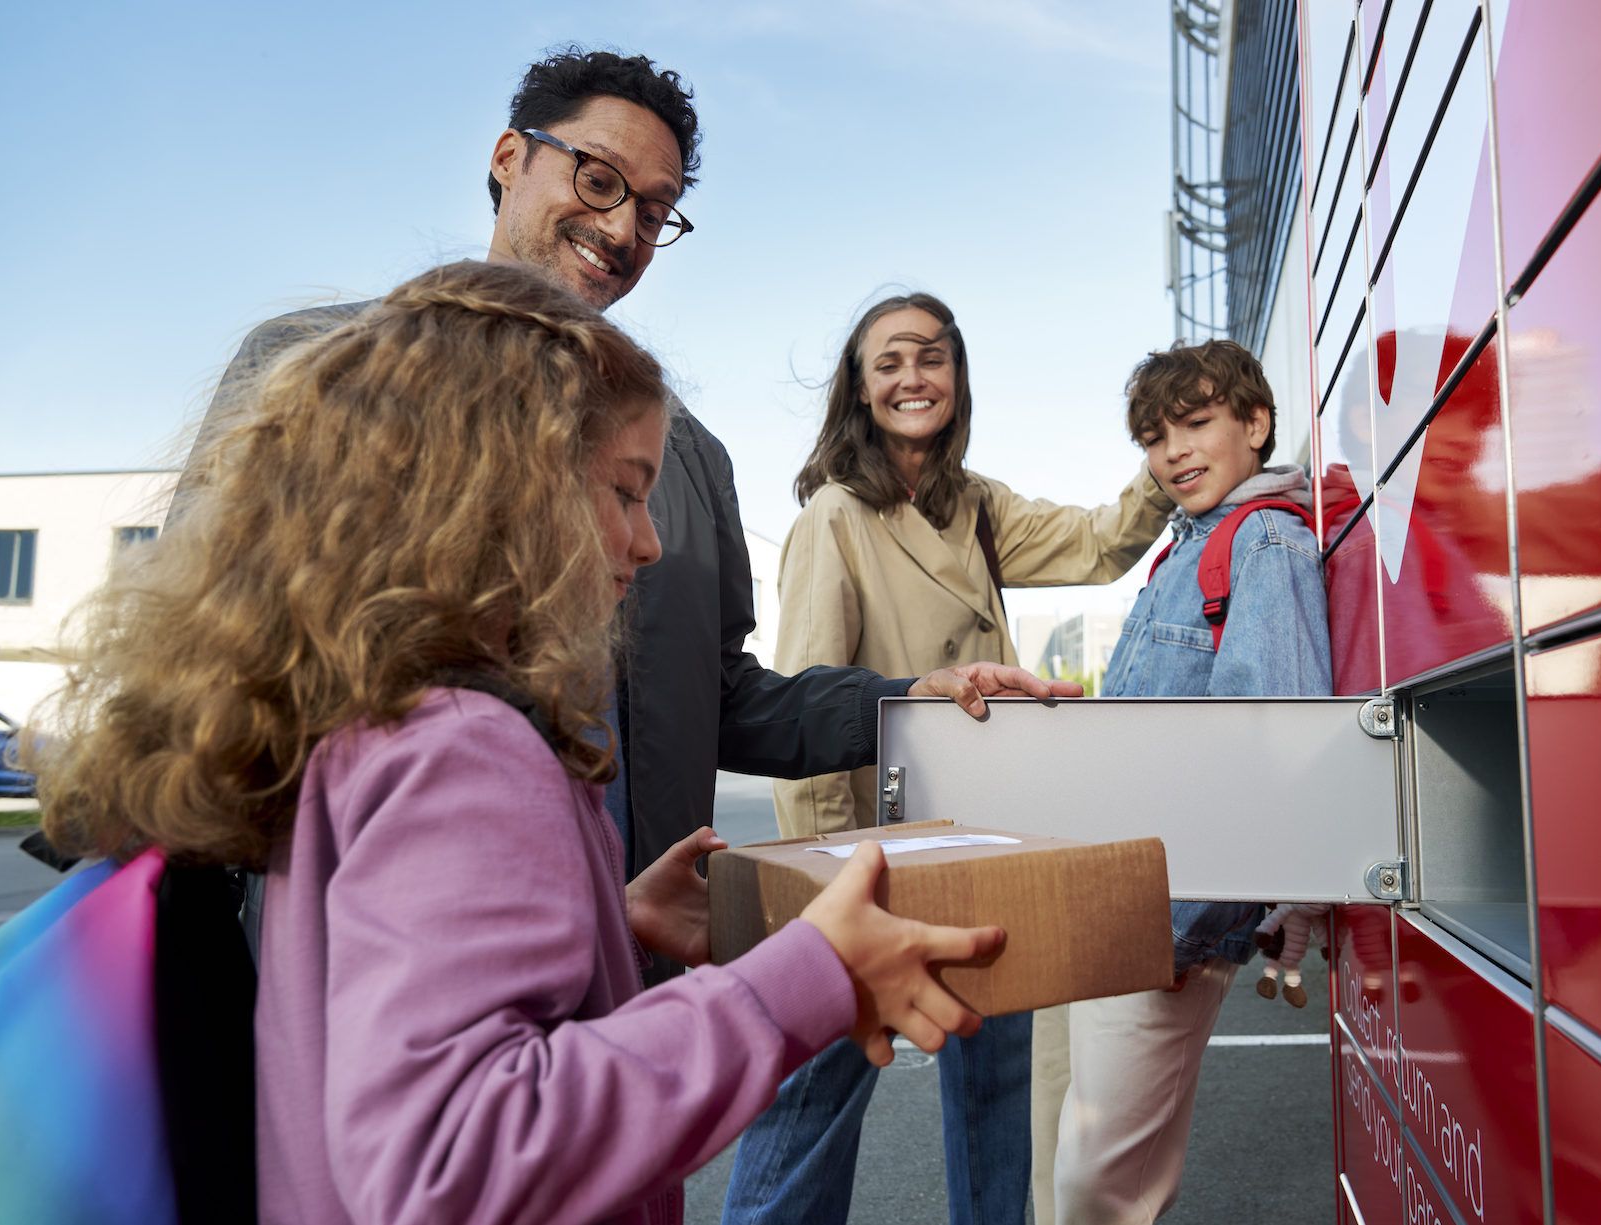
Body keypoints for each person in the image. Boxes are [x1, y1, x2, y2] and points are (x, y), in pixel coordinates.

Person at [29, 260, 1008, 1224]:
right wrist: (806, 976)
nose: (650, 541)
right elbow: (452, 1161)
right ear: (505, 490)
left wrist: (610, 920)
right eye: (625, 492)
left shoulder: (377, 716)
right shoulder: (466, 751)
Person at [176, 49, 1063, 979]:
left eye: (652, 210)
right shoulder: (313, 369)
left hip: (632, 965)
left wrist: (906, 701)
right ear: (509, 157)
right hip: (363, 968)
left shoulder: (689, 455)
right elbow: (201, 671)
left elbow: (721, 699)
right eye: (597, 178)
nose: (620, 227)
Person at [722, 293, 1173, 1225]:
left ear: (958, 376)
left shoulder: (978, 505)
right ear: (859, 388)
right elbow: (808, 711)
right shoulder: (836, 517)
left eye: (931, 356)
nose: (912, 377)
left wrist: (1171, 454)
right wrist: (821, 888)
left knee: (996, 1087)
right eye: (888, 362)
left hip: (985, 845)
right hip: (872, 865)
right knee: (816, 1096)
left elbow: (1099, 543)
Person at [1049, 338, 1331, 1224]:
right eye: (1154, 436)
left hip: (1175, 919)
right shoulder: (1190, 546)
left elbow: (1279, 741)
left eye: (1197, 422)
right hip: (1125, 903)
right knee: (1093, 1168)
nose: (1173, 451)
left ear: (1257, 422)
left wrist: (1250, 908)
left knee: (1101, 1187)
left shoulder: (1264, 543)